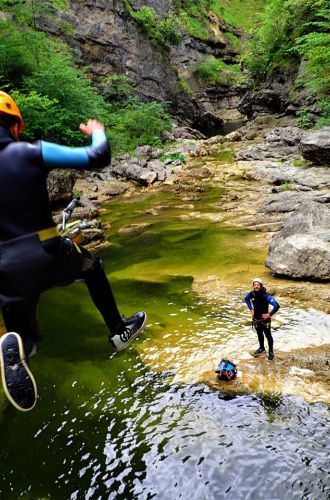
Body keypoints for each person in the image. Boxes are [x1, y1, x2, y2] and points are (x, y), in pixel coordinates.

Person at [0, 91, 147, 412]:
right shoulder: (30, 152)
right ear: (15, 126)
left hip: (4, 272)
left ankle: (21, 345)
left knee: (21, 319)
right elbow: (98, 156)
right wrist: (97, 132)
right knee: (91, 268)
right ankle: (119, 330)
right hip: (46, 252)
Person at [245, 278, 280, 361]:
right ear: (253, 286)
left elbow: (277, 306)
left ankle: (271, 353)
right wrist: (251, 309)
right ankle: (261, 348)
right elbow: (246, 299)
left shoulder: (266, 296)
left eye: (258, 285)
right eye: (255, 285)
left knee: (268, 335)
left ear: (261, 286)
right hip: (256, 319)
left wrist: (269, 315)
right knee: (259, 333)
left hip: (265, 321)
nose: (256, 286)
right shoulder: (252, 294)